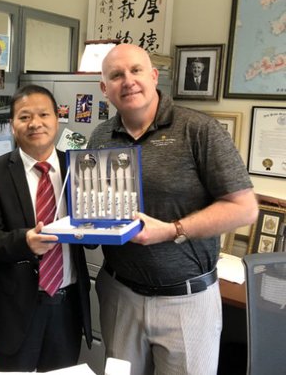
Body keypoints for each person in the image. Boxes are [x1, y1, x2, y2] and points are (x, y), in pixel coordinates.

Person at [89, 43, 258, 375]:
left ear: (153, 76)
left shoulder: (198, 130)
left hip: (187, 300)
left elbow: (244, 209)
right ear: (104, 88)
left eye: (136, 70)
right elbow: (96, 204)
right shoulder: (101, 135)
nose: (128, 81)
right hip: (120, 295)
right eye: (116, 75)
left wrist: (172, 230)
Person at [0, 84, 92, 372]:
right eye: (25, 116)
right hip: (14, 309)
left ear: (57, 119)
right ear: (12, 125)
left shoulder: (79, 168)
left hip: (67, 306)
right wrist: (25, 242)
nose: (35, 123)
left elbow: (91, 241)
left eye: (43, 114)